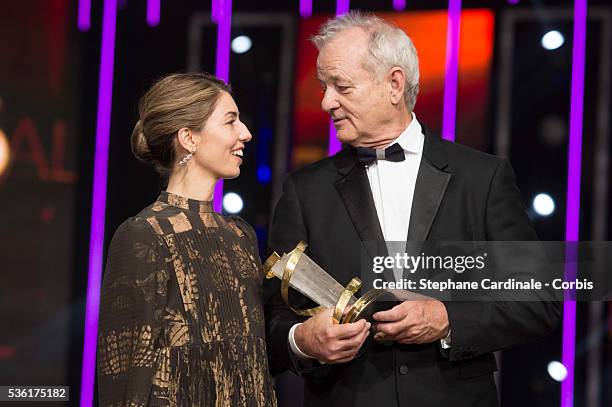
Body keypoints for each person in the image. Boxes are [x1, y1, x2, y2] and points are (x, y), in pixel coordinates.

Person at [265, 11, 560, 407]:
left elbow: (538, 300)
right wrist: (302, 341)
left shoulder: (481, 178)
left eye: (341, 86)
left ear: (394, 84)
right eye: (323, 86)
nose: (325, 102)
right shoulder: (306, 190)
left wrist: (448, 319)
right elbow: (271, 318)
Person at [97, 73, 277, 407]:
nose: (245, 134)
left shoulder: (240, 235)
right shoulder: (144, 234)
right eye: (230, 122)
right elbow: (122, 373)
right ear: (189, 138)